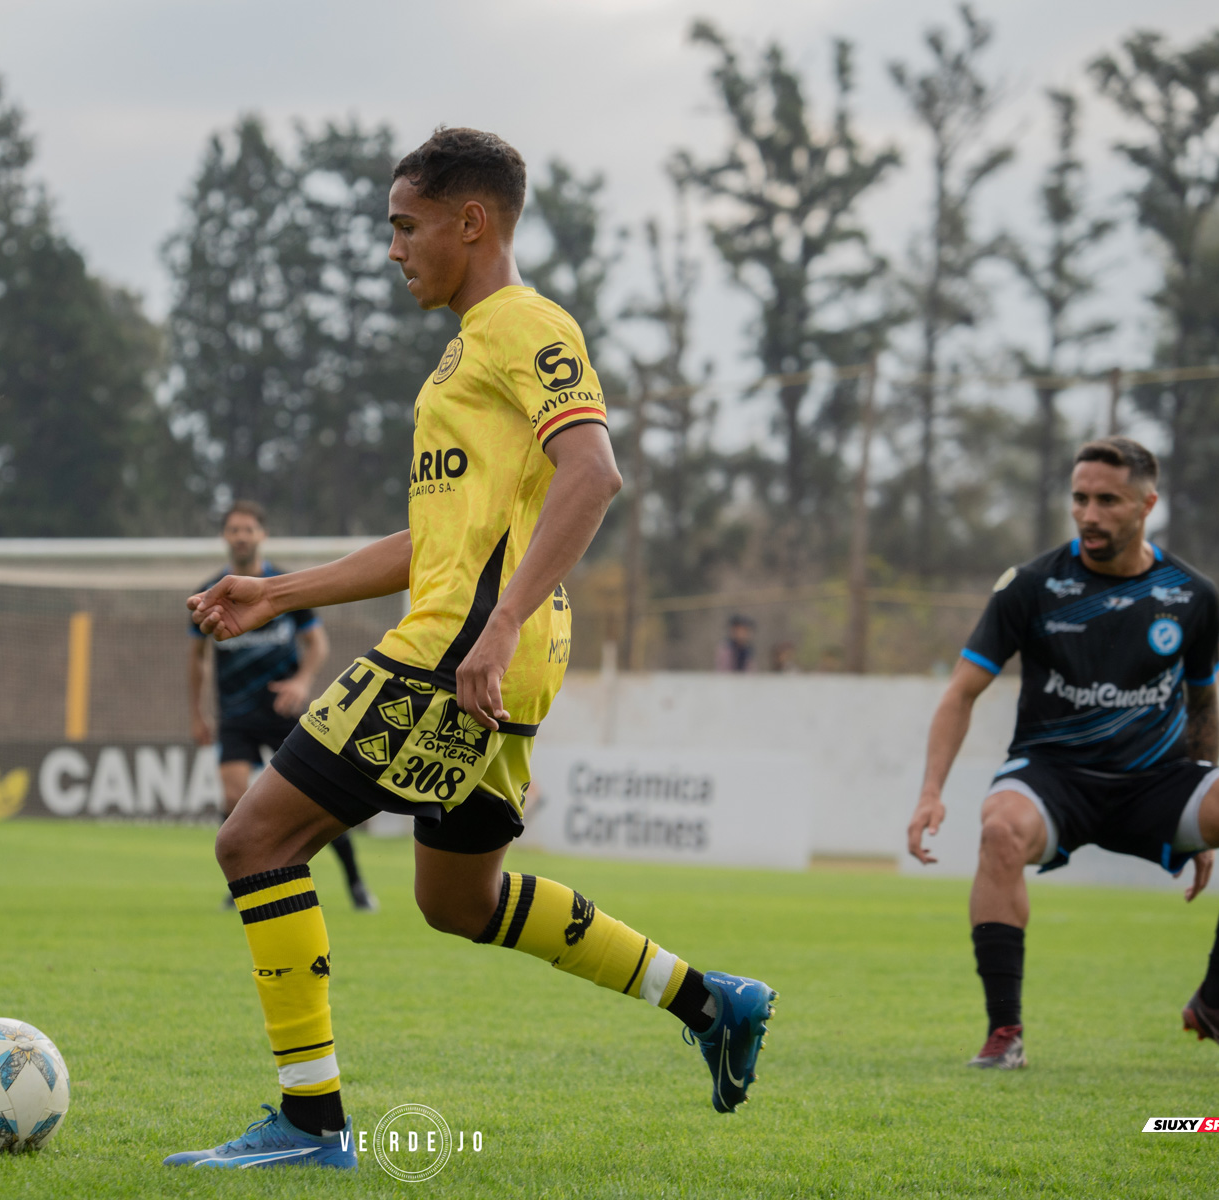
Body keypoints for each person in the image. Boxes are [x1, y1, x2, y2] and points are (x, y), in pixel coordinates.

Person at [168, 128, 775, 1171]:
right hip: (493, 651)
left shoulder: (522, 325)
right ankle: (709, 1000)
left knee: (252, 843)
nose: (393, 249)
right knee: (461, 901)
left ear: (471, 221)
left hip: (459, 653)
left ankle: (312, 1125)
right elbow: (438, 544)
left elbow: (594, 472)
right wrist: (278, 591)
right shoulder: (465, 356)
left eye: (405, 227)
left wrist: (490, 632)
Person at [907, 438, 1219, 1076]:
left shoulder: (1192, 594)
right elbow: (961, 693)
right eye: (1079, 499)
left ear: (1147, 504)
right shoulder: (1033, 586)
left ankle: (1218, 1003)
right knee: (999, 827)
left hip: (1156, 781)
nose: (1089, 514)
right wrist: (930, 792)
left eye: (1107, 500)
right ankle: (1004, 1032)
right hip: (1053, 778)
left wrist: (1202, 824)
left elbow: (1202, 707)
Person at [189, 501, 376, 913]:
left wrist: (302, 680)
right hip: (235, 715)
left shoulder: (283, 585)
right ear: (225, 536)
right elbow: (197, 659)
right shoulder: (210, 591)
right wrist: (197, 714)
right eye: (234, 529)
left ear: (262, 534)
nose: (241, 535)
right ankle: (243, 883)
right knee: (234, 798)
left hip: (282, 712)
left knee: (315, 803)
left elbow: (317, 644)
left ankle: (356, 883)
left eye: (248, 529)